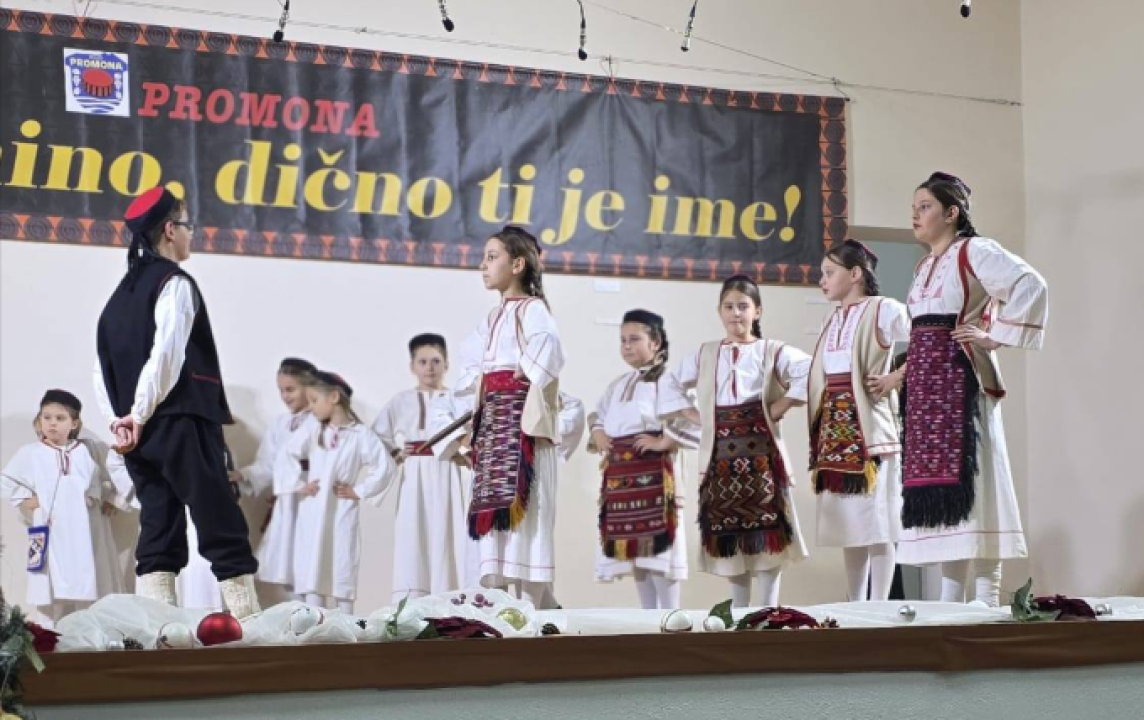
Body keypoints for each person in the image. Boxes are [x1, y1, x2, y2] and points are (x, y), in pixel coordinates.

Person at [869, 172, 1048, 606]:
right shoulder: (924, 265)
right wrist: (902, 375)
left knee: (979, 486)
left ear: (952, 213)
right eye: (913, 207)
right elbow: (925, 333)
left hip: (962, 386)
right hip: (929, 394)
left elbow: (1031, 285)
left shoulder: (975, 251)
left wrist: (995, 335)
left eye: (925, 206)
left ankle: (984, 601)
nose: (915, 214)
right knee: (945, 503)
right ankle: (951, 606)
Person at [93, 186, 260, 618]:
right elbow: (166, 356)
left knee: (159, 520)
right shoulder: (174, 284)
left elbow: (102, 370)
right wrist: (140, 413)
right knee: (217, 513)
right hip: (180, 419)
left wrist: (121, 422)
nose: (191, 235)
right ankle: (250, 622)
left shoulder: (115, 300)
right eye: (188, 226)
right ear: (170, 229)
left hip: (136, 434)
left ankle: (158, 626)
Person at [679, 275, 810, 608]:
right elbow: (670, 387)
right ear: (719, 311)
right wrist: (698, 416)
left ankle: (767, 611)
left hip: (762, 454)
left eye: (743, 306)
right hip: (720, 456)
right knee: (731, 538)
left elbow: (810, 370)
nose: (735, 313)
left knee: (769, 537)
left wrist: (782, 405)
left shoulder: (772, 350)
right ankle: (739, 616)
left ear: (757, 311)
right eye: (728, 306)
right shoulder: (706, 353)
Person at [808, 240, 910, 601]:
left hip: (870, 431)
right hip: (837, 432)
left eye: (829, 272)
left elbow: (929, 339)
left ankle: (879, 605)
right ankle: (855, 605)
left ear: (855, 274)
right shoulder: (832, 318)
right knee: (850, 526)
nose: (822, 280)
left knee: (878, 522)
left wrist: (896, 377)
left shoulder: (883, 309)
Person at [589, 310, 698, 609]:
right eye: (622, 340)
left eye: (634, 339)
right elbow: (597, 415)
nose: (626, 346)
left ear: (656, 342)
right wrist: (598, 434)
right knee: (635, 552)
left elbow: (692, 416)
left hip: (655, 473)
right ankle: (648, 617)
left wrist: (664, 440)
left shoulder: (670, 380)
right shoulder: (618, 383)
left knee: (661, 551)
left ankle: (672, 613)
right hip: (622, 475)